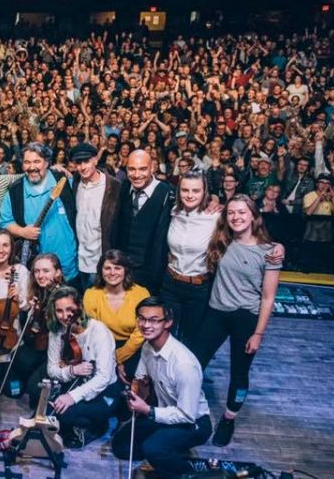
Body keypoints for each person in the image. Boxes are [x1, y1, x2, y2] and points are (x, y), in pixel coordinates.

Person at [192, 195, 282, 447]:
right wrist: (214, 201)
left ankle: (229, 419)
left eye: (242, 212)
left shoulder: (270, 251)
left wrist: (258, 334)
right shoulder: (222, 240)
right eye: (231, 213)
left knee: (239, 373)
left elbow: (268, 297)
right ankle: (187, 410)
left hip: (246, 318)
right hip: (216, 312)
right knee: (194, 362)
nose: (236, 217)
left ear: (254, 215)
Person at [111, 297, 213, 477]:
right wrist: (135, 393)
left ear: (168, 323)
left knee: (153, 448)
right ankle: (167, 452)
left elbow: (187, 415)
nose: (145, 325)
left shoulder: (184, 364)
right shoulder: (147, 347)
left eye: (153, 320)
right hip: (164, 412)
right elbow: (140, 379)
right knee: (120, 446)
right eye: (141, 318)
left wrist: (148, 411)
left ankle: (191, 474)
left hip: (193, 423)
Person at [46, 285, 121, 449]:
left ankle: (98, 427)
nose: (65, 316)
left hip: (105, 391)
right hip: (77, 381)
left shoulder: (98, 331)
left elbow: (103, 377)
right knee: (46, 406)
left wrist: (72, 397)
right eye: (59, 311)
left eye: (69, 309)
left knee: (66, 414)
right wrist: (72, 370)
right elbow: (52, 369)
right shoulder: (57, 331)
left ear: (79, 307)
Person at [0, 143, 78, 281]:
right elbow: (4, 221)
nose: (32, 167)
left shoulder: (64, 181)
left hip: (68, 264)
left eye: (37, 161)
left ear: (47, 162)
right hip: (36, 270)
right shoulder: (15, 191)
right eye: (27, 162)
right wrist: (22, 232)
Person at [163, 171, 221, 344]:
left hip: (198, 287)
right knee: (165, 335)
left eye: (196, 191)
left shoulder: (215, 216)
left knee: (191, 339)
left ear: (205, 192)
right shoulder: (174, 211)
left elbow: (247, 225)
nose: (189, 195)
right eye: (185, 190)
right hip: (170, 283)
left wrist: (273, 247)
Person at [82, 249, 150, 381]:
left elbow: (140, 332)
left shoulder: (141, 294)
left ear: (125, 270)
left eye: (117, 268)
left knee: (130, 378)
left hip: (133, 346)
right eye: (107, 268)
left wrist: (118, 358)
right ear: (101, 270)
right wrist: (108, 358)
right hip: (102, 345)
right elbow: (90, 331)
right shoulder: (91, 294)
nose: (112, 273)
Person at [9, 253, 65, 410]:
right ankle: (26, 381)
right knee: (17, 361)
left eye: (46, 271)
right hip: (39, 344)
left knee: (34, 391)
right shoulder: (41, 292)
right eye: (37, 271)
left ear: (58, 272)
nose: (40, 275)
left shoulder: (64, 296)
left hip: (56, 353)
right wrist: (31, 307)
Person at [114, 150, 175, 295]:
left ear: (152, 168)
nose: (136, 174)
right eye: (132, 169)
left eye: (142, 169)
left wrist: (213, 200)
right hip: (124, 271)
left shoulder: (169, 193)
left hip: (151, 274)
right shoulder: (123, 188)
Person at [68, 142, 122, 292]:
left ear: (95, 160)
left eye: (86, 161)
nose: (83, 167)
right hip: (80, 259)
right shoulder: (75, 183)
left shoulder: (114, 186)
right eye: (78, 163)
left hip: (102, 260)